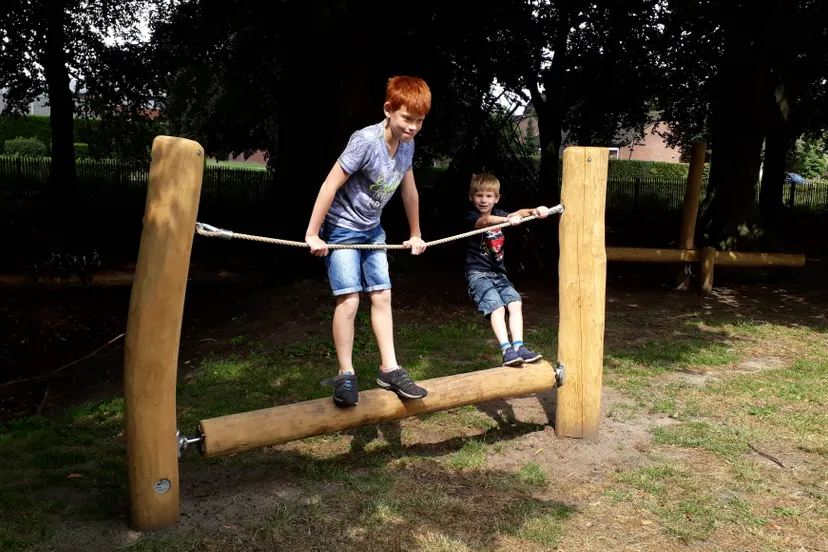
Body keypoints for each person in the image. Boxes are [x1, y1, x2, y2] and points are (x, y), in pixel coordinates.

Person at [304, 76, 432, 407]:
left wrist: (415, 232)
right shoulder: (365, 141)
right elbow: (329, 185)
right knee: (349, 301)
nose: (413, 127)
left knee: (382, 296)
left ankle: (389, 369)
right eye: (407, 118)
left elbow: (409, 190)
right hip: (343, 228)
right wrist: (313, 233)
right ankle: (345, 374)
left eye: (419, 121)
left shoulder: (407, 145)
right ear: (389, 110)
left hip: (373, 230)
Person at [464, 173, 549, 367]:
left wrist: (535, 211)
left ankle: (519, 347)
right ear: (471, 197)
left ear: (497, 198)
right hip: (478, 274)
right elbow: (485, 222)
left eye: (488, 196)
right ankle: (506, 350)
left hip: (498, 274)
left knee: (515, 303)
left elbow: (517, 213)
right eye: (479, 196)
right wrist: (507, 221)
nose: (484, 200)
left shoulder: (502, 214)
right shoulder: (471, 217)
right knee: (497, 307)